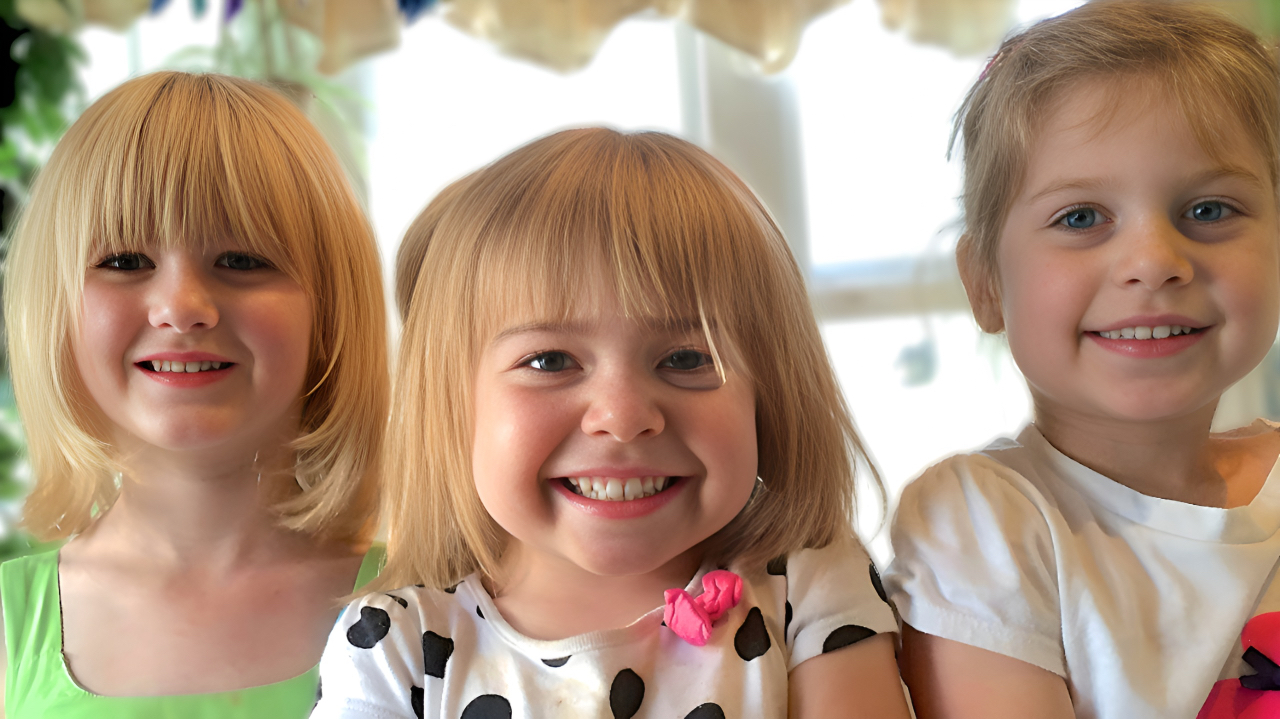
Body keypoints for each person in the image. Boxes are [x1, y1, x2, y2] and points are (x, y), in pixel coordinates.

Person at [311, 127, 912, 719]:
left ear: (771, 393)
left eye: (686, 359)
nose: (623, 418)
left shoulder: (808, 586)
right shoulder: (393, 647)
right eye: (549, 361)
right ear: (453, 403)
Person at [883, 3, 1280, 718]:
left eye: (1210, 209)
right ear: (985, 285)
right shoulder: (987, 526)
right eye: (1081, 217)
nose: (1156, 261)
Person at [0, 71, 388, 717]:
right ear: (54, 309)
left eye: (241, 259)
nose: (181, 307)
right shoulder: (9, 628)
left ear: (330, 310)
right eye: (125, 261)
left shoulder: (444, 606)